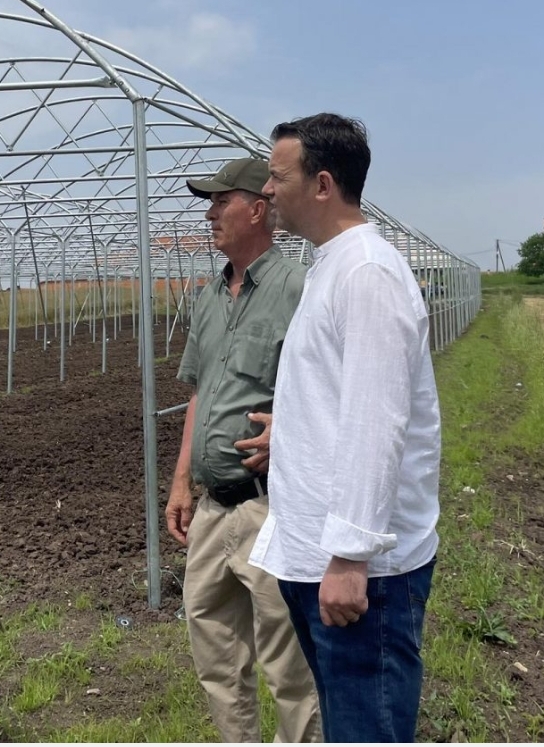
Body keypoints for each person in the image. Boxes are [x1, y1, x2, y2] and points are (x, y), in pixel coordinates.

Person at [250, 114, 441, 743]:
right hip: (316, 555)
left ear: (323, 183)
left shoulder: (366, 273)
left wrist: (350, 558)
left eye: (277, 177)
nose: (267, 191)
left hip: (360, 575)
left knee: (367, 728)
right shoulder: (331, 265)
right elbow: (344, 393)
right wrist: (293, 424)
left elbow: (376, 419)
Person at [165, 156, 322, 743]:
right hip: (212, 507)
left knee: (289, 665)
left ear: (258, 208)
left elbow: (333, 387)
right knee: (216, 655)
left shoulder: (299, 288)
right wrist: (182, 481)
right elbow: (201, 395)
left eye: (220, 201)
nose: (210, 214)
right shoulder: (208, 297)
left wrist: (290, 422)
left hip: (270, 507)